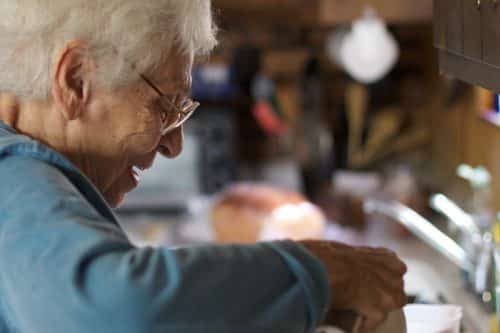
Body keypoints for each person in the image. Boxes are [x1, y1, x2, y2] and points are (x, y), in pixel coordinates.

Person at [0, 1, 407, 332]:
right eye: (165, 105)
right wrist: (325, 273)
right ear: (75, 80)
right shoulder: (15, 177)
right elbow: (121, 309)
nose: (174, 145)